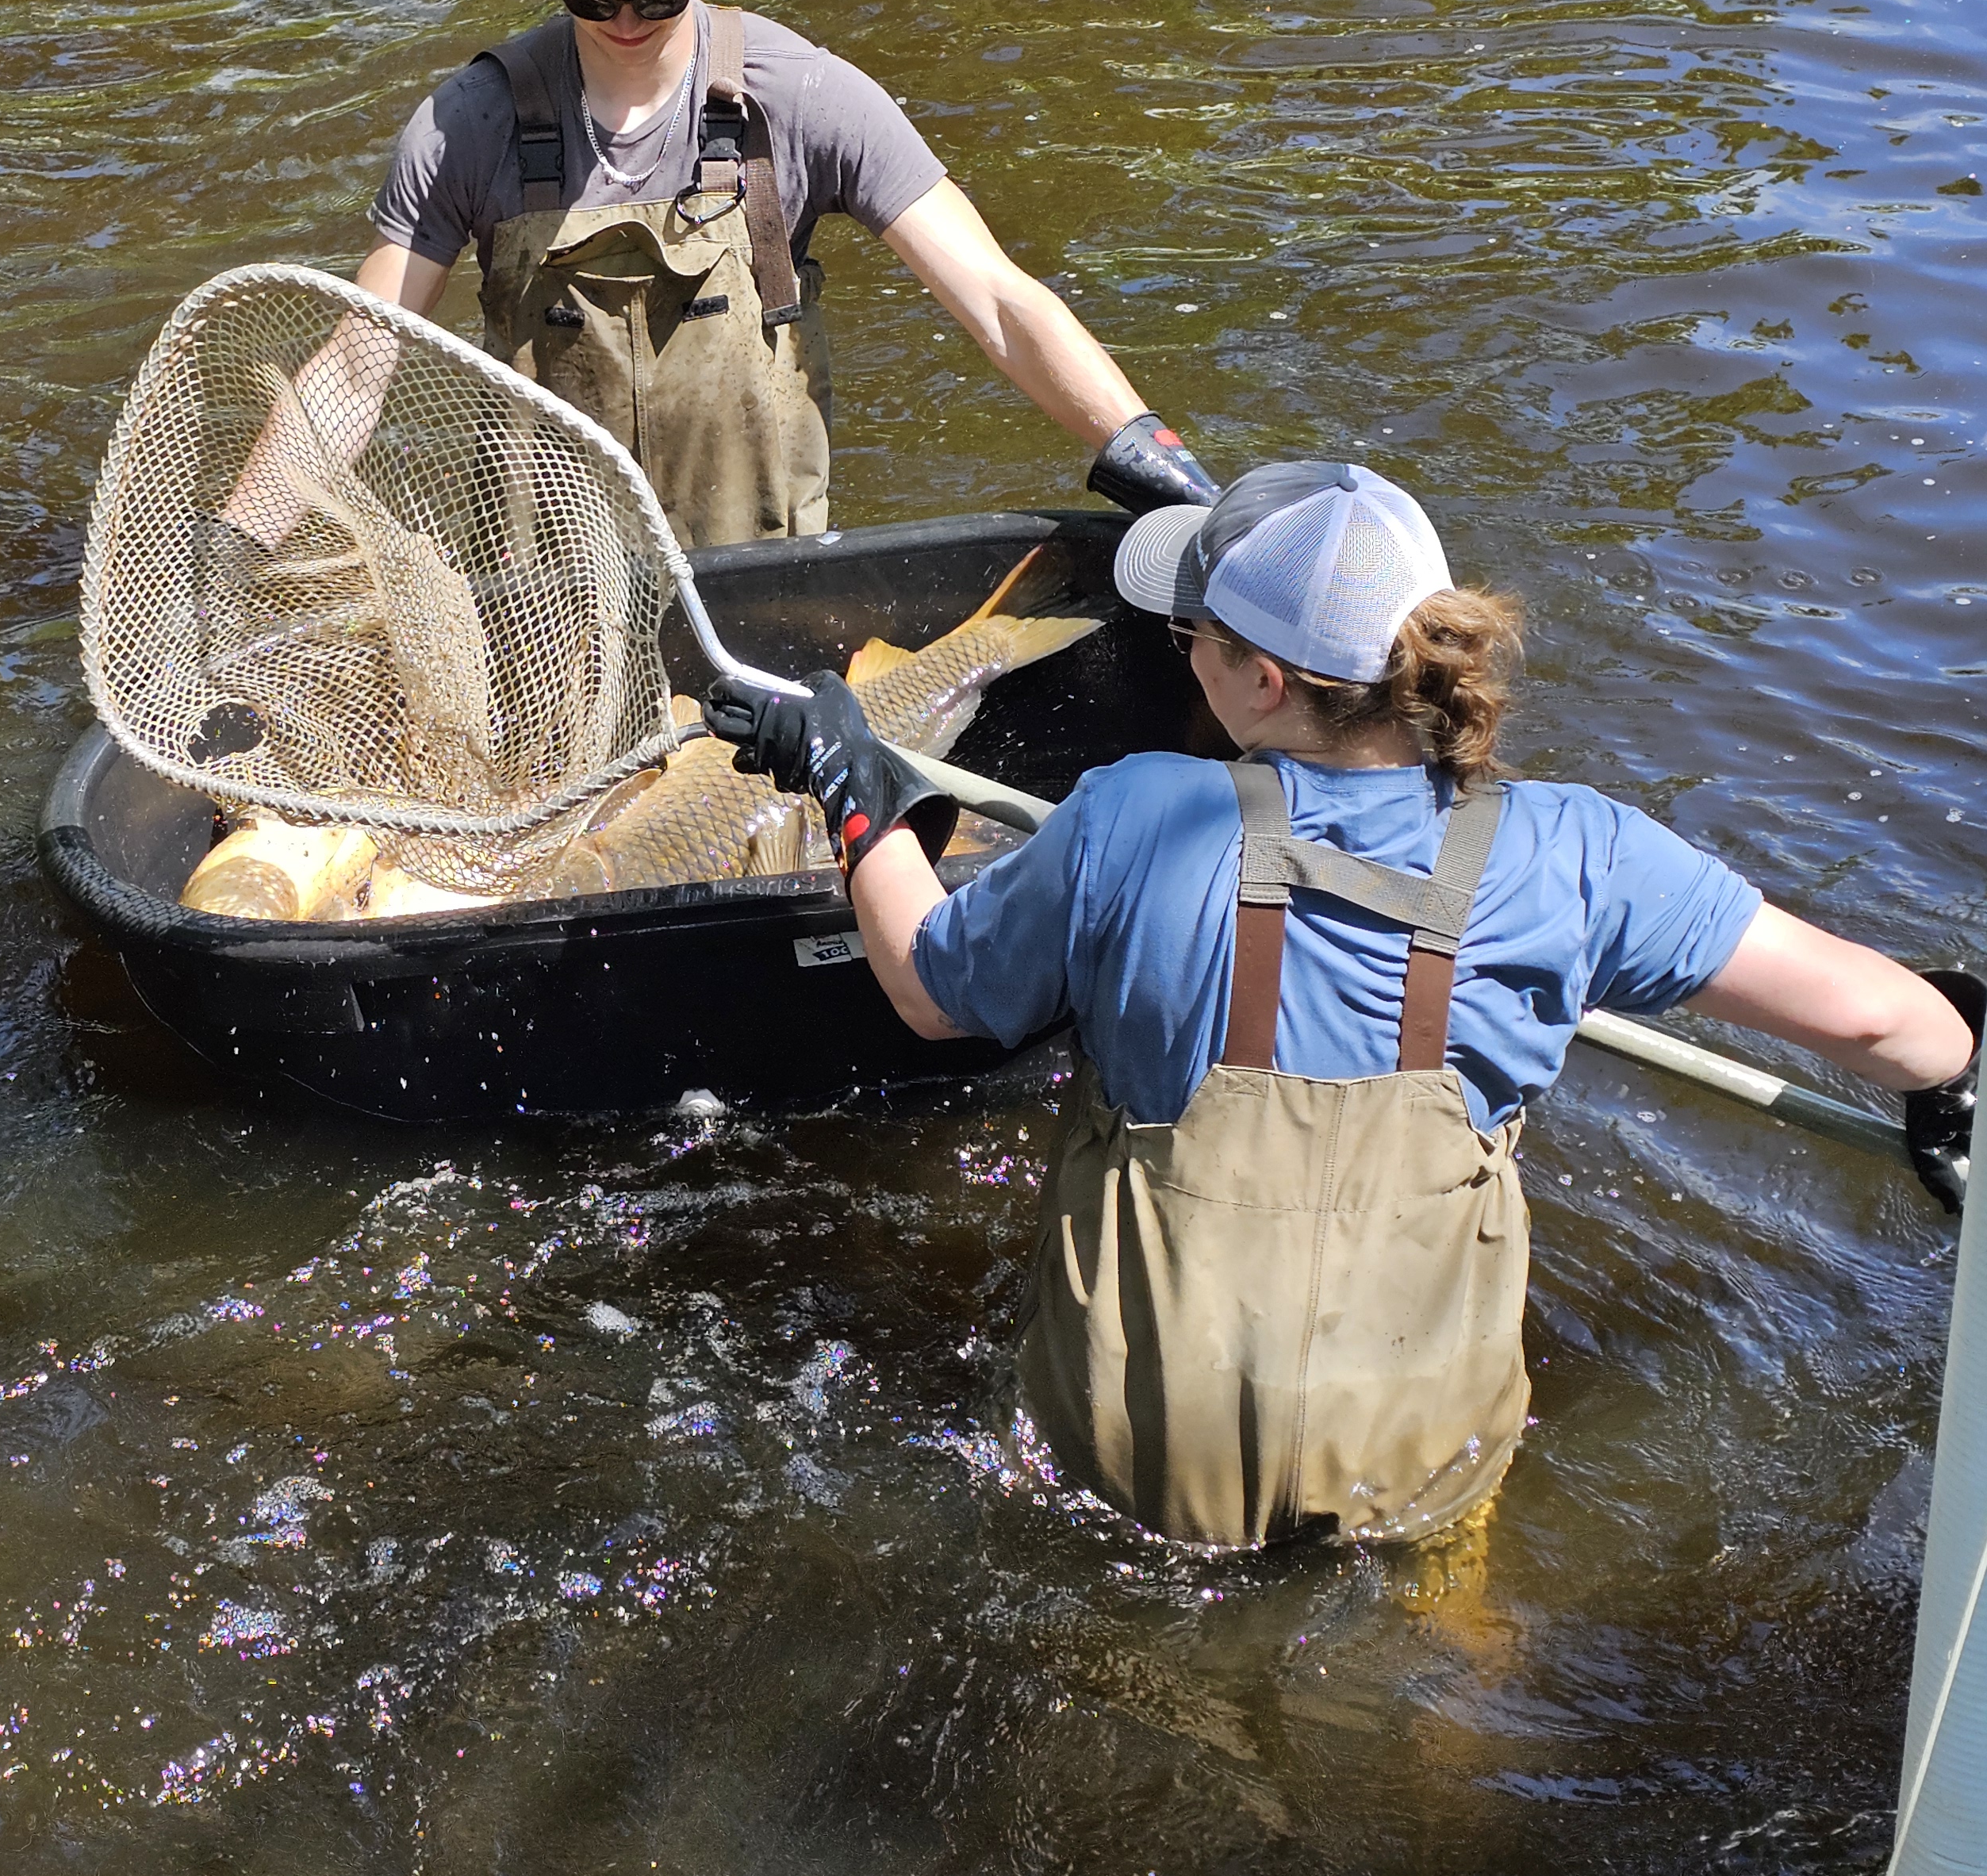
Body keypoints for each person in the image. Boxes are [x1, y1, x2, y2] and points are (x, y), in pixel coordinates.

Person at [708, 461, 1981, 1548]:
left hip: (1145, 1445)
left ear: (1260, 680)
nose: (1183, 653)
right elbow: (1889, 1026)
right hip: (1413, 1447)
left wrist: (859, 800)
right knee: (1432, 1637)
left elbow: (930, 990)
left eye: (1190, 634)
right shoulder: (1585, 852)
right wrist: (1955, 1075)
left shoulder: (1137, 813)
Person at [356, 0, 1219, 548]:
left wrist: (1168, 473)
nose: (625, 20)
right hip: (543, 582)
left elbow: (998, 301)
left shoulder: (803, 96)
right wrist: (235, 545)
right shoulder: (467, 122)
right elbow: (358, 362)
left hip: (762, 573)